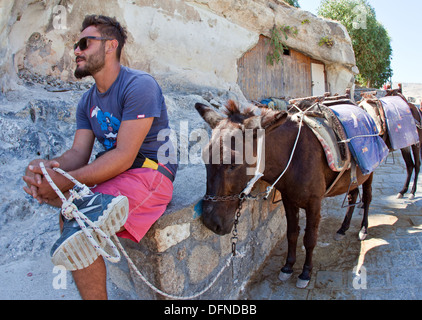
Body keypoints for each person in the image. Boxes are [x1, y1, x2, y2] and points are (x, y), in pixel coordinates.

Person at [22, 15, 177, 300]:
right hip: (120, 173)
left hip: (151, 173)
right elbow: (77, 154)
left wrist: (65, 182)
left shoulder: (139, 85)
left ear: (110, 46)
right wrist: (47, 170)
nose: (77, 51)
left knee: (78, 220)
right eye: (76, 45)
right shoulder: (87, 101)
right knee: (66, 208)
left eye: (84, 43)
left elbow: (124, 156)